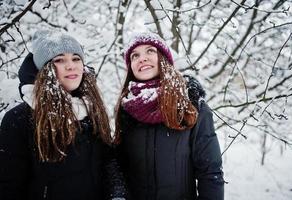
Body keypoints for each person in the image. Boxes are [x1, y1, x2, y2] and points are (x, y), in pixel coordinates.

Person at [0, 30, 127, 200]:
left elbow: (107, 162)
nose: (71, 65)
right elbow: (9, 187)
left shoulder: (93, 110)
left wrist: (117, 195)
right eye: (59, 60)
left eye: (76, 58)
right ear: (45, 69)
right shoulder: (19, 119)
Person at [114, 32, 224, 200]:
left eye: (150, 51)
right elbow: (118, 165)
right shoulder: (126, 110)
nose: (142, 58)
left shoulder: (191, 104)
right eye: (135, 55)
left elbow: (210, 172)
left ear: (163, 58)